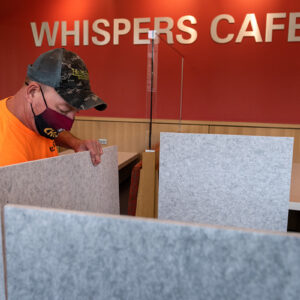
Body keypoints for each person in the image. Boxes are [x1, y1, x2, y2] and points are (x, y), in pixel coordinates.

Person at [0, 48, 107, 167]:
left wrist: (75, 143)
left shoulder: (34, 119)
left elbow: (52, 131)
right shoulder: (5, 155)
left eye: (75, 111)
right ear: (32, 92)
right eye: (63, 110)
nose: (68, 125)